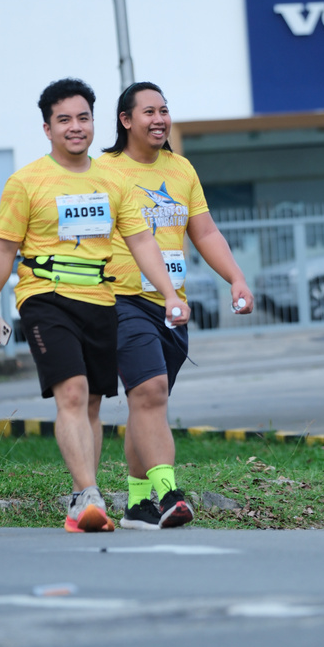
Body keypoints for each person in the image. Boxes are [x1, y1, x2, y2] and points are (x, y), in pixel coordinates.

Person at [0, 77, 189, 534]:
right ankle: (87, 494)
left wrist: (170, 294)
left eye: (83, 118)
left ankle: (83, 499)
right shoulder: (26, 181)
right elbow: (2, 249)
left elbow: (141, 242)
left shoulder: (113, 180)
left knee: (91, 402)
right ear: (47, 128)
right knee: (71, 392)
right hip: (45, 297)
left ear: (94, 122)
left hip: (100, 298)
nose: (75, 127)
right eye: (64, 120)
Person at [98, 81, 254, 531]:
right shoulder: (103, 170)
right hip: (121, 299)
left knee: (145, 403)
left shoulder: (181, 169)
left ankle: (136, 504)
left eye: (164, 110)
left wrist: (237, 278)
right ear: (126, 120)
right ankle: (168, 494)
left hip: (171, 306)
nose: (160, 119)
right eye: (149, 111)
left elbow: (204, 232)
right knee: (151, 393)